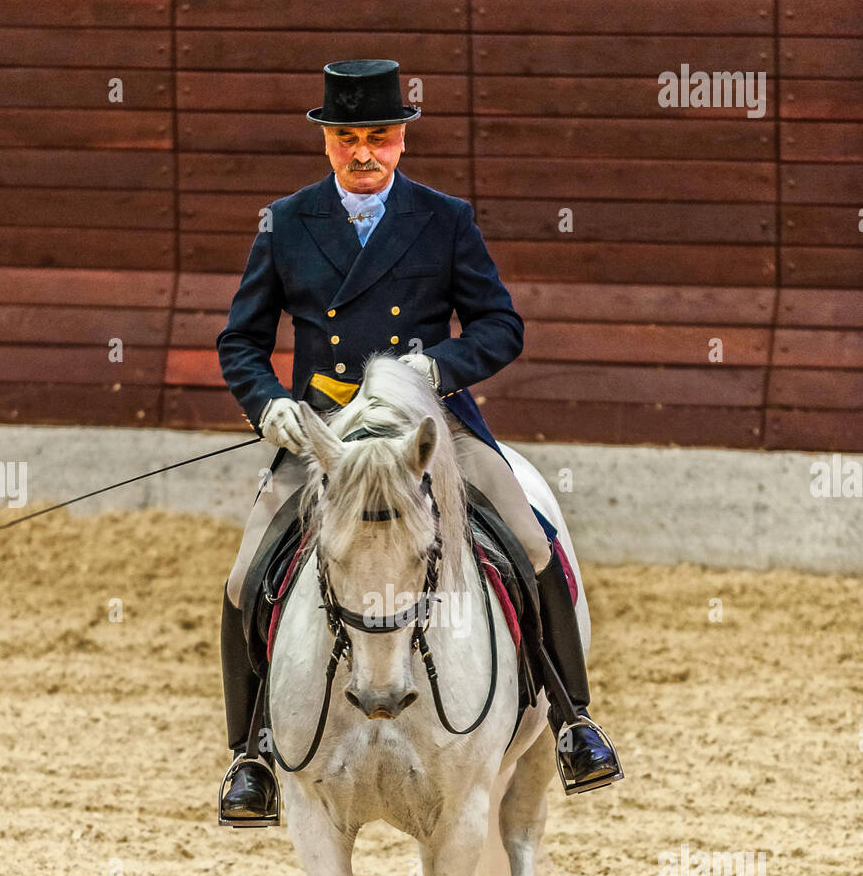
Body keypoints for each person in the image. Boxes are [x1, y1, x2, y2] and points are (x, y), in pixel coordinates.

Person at [216, 59, 621, 825]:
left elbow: (501, 326)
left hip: (432, 433)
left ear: (401, 140)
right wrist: (267, 404)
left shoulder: (445, 218)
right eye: (347, 139)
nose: (363, 153)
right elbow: (241, 339)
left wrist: (436, 367)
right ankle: (250, 757)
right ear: (326, 143)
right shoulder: (285, 220)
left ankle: (572, 722)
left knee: (532, 546)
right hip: (326, 436)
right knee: (244, 578)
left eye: (378, 137)